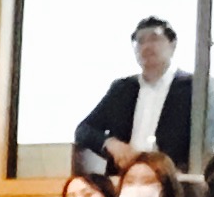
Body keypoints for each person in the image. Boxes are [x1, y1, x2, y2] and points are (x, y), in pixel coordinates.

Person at [71, 14, 193, 173]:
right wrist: (111, 144)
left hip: (172, 178)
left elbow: (205, 141)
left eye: (154, 38)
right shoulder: (122, 89)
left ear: (173, 45)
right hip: (124, 177)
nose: (147, 46)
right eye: (140, 41)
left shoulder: (191, 87)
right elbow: (84, 130)